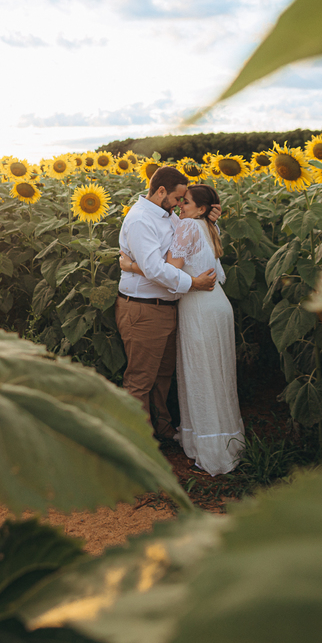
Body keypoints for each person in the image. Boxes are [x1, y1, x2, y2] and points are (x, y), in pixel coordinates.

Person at [120, 184, 245, 476]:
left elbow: (168, 269)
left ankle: (212, 455)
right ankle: (226, 443)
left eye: (185, 202)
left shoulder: (188, 225)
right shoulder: (207, 226)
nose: (180, 207)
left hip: (199, 308)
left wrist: (130, 265)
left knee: (202, 376)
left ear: (199, 209)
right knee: (219, 375)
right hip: (217, 306)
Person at [116, 166, 217, 441]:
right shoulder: (140, 220)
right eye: (176, 198)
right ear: (161, 191)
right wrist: (193, 283)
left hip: (166, 308)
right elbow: (155, 269)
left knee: (162, 377)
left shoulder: (167, 216)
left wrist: (207, 216)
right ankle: (140, 445)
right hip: (143, 308)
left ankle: (162, 429)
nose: (179, 204)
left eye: (183, 201)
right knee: (140, 381)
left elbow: (186, 242)